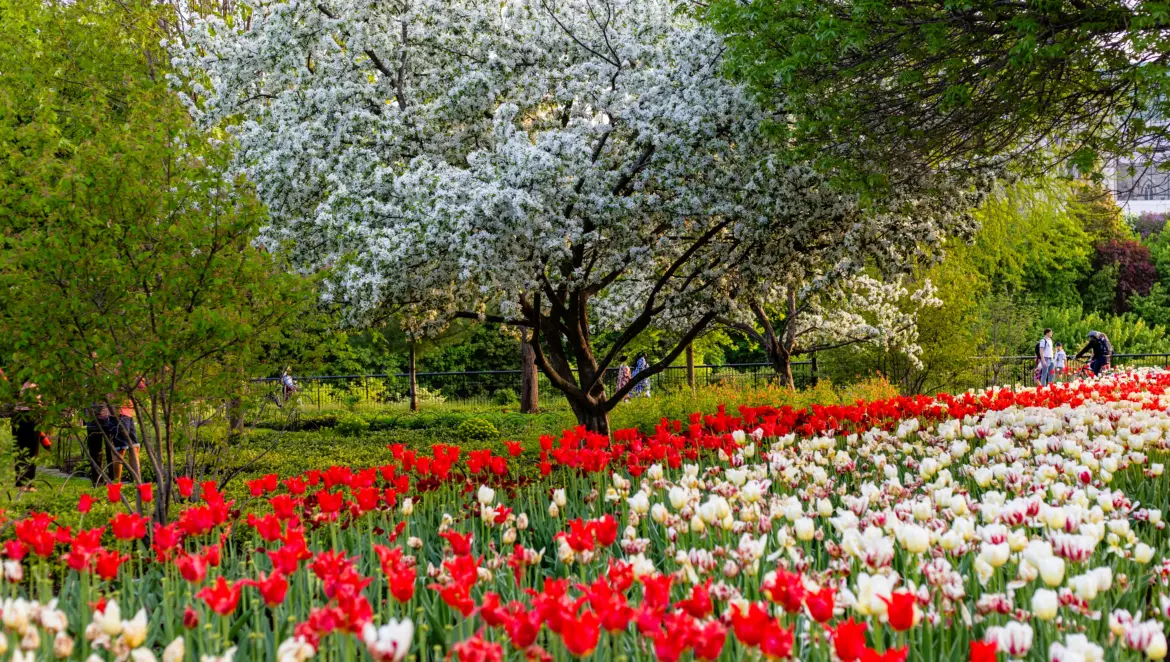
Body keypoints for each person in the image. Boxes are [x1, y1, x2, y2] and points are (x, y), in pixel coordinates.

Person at [11, 379, 50, 492]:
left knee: (33, 451)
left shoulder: (40, 382)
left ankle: (30, 483)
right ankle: (20, 482)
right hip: (19, 416)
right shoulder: (17, 384)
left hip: (34, 415)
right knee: (20, 450)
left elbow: (43, 401)